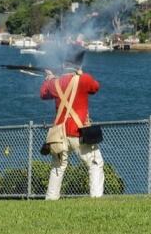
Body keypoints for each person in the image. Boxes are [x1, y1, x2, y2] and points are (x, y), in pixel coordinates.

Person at [40, 46, 104, 200]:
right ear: (79, 65)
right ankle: (95, 199)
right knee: (95, 164)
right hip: (79, 132)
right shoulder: (84, 79)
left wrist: (49, 78)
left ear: (64, 64)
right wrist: (80, 74)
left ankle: (51, 199)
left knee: (58, 167)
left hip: (60, 133)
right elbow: (95, 87)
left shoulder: (55, 82)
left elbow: (43, 94)